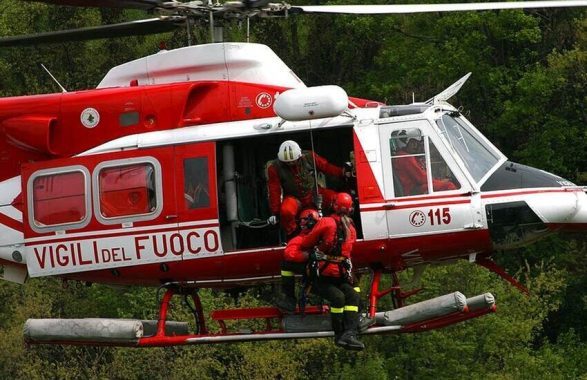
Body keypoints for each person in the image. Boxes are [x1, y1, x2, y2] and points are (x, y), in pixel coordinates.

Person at [299, 192, 364, 351]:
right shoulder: (352, 229)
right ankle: (341, 334)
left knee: (350, 296)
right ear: (349, 210)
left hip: (327, 275)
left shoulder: (326, 222)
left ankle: (349, 333)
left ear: (334, 205)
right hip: (323, 277)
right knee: (340, 298)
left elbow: (307, 242)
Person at [266, 140, 348, 237]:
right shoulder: (275, 168)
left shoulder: (309, 157)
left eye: (293, 160)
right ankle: (293, 234)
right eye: (287, 162)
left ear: (299, 156)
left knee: (337, 200)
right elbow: (274, 190)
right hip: (294, 198)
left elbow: (326, 167)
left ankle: (340, 227)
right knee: (286, 211)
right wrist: (275, 213)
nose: (291, 163)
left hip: (314, 193)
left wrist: (342, 172)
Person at [275, 208, 321, 313]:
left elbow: (289, 254)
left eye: (305, 219)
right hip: (326, 268)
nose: (302, 222)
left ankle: (289, 300)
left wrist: (306, 256)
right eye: (300, 220)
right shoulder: (326, 231)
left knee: (285, 265)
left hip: (320, 270)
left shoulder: (305, 237)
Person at [394, 131, 456, 196]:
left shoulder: (402, 155)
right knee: (449, 185)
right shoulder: (406, 158)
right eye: (417, 144)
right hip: (413, 190)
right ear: (410, 143)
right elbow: (422, 179)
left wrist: (439, 180)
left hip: (415, 187)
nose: (419, 147)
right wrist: (441, 181)